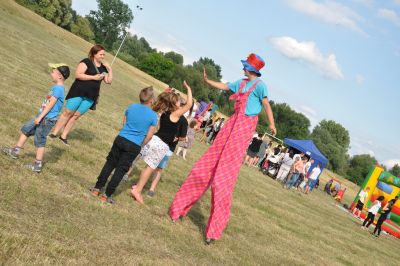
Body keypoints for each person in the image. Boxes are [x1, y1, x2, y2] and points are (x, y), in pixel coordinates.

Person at [169, 53, 276, 244]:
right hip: (232, 124)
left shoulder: (260, 86)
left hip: (244, 128)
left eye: (245, 66)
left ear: (252, 69)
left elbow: (266, 105)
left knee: (222, 181)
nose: (243, 68)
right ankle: (178, 209)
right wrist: (207, 80)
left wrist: (272, 124)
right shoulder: (241, 83)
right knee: (203, 171)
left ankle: (213, 230)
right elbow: (224, 86)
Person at [89, 87, 157, 204]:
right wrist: (141, 144)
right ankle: (107, 195)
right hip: (134, 145)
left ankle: (96, 188)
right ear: (151, 100)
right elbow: (150, 136)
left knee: (110, 163)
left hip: (121, 138)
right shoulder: (153, 116)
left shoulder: (131, 107)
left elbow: (124, 122)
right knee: (120, 170)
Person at [130, 81, 193, 204]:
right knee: (150, 168)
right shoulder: (175, 113)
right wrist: (189, 88)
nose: (181, 103)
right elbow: (189, 104)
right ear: (174, 104)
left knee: (143, 163)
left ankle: (134, 184)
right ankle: (137, 190)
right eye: (179, 101)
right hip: (162, 145)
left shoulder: (165, 111)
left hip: (153, 139)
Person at [2, 63, 70, 172]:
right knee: (26, 130)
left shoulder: (58, 89)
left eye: (53, 71)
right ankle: (15, 151)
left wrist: (40, 117)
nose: (51, 73)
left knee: (40, 140)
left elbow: (51, 104)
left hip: (46, 119)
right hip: (41, 116)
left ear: (60, 76)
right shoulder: (57, 87)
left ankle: (37, 164)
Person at [49, 44, 112, 145]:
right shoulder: (86, 62)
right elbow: (78, 75)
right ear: (94, 54)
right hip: (78, 91)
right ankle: (54, 133)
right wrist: (93, 77)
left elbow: (108, 81)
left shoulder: (103, 68)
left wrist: (110, 70)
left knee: (76, 116)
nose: (103, 56)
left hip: (91, 96)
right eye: (101, 54)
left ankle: (63, 136)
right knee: (68, 112)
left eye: (104, 55)